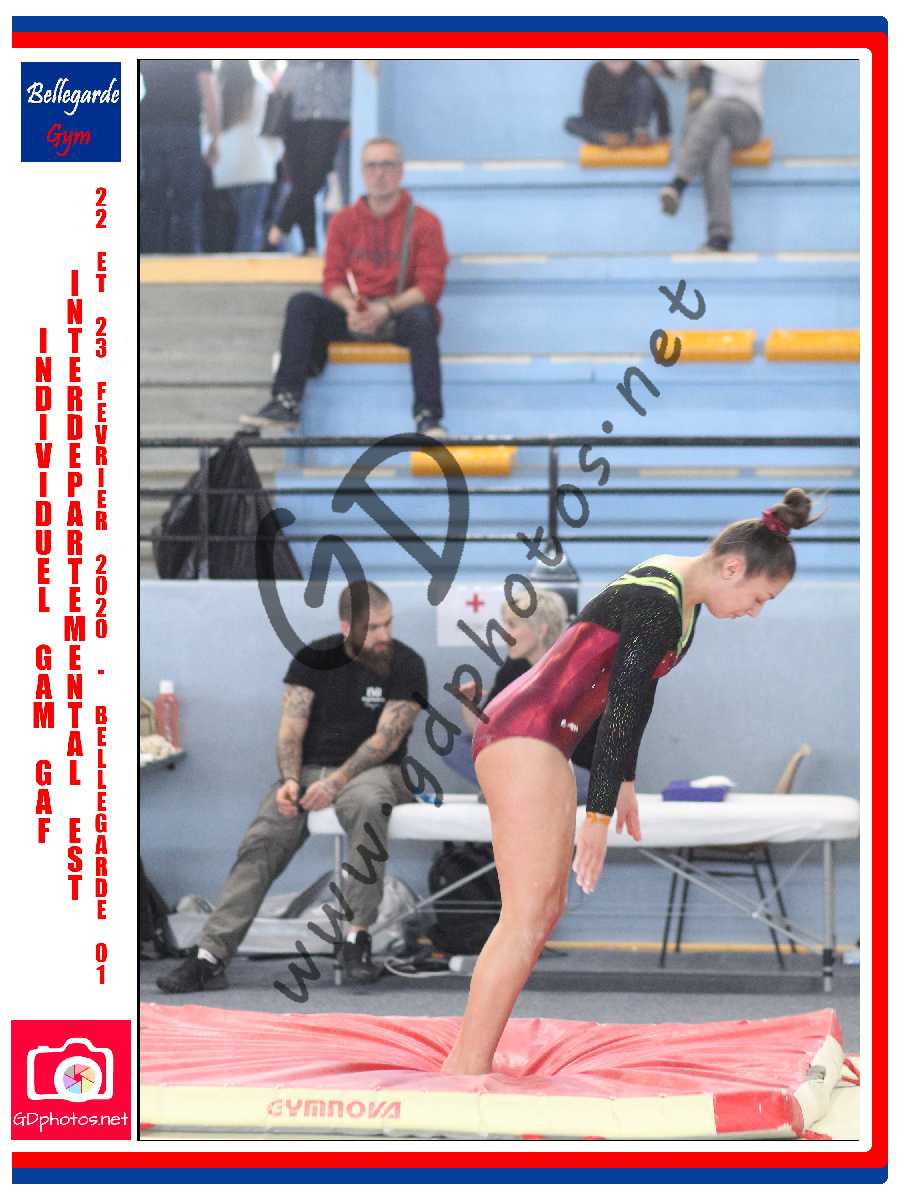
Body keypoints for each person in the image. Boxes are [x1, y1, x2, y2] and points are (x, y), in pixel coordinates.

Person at [442, 489, 816, 1074]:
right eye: (758, 598)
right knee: (524, 915)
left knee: (543, 911)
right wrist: (595, 816)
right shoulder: (659, 603)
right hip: (524, 731)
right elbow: (619, 704)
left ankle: (472, 1059)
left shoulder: (682, 596)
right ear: (733, 567)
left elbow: (636, 696)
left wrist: (624, 780)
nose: (754, 612)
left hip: (544, 735)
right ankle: (464, 1070)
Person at [157, 581, 428, 993]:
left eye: (388, 624)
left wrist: (335, 782)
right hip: (308, 770)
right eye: (373, 628)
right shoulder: (312, 659)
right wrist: (288, 781)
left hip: (374, 771)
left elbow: (386, 740)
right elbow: (290, 731)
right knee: (263, 839)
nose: (384, 635)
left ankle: (357, 937)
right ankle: (210, 955)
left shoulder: (407, 663)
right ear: (346, 627)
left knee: (368, 804)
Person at [241, 136, 450, 437]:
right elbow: (333, 279)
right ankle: (286, 401)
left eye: (387, 165)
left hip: (397, 315)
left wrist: (385, 309)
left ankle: (428, 417)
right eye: (372, 166)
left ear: (401, 171)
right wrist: (351, 307)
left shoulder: (425, 223)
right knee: (302, 305)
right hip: (354, 313)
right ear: (362, 172)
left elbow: (430, 286)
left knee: (423, 317)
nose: (379, 173)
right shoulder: (343, 221)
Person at [445, 588, 595, 804]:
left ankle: (514, 793)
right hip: (527, 768)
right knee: (456, 745)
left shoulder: (575, 670)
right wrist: (469, 705)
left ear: (541, 630)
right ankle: (520, 793)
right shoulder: (513, 667)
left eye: (512, 625)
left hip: (573, 770)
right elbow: (484, 734)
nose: (504, 633)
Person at [654, 59, 765, 253]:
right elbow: (678, 68)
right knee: (717, 146)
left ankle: (679, 183)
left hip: (745, 119)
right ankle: (719, 238)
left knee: (714, 107)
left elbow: (751, 72)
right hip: (709, 128)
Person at [266, 60, 352, 255]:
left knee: (315, 177)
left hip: (332, 109)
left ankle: (279, 227)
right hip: (293, 105)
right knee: (300, 179)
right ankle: (310, 245)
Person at [140, 60, 222, 254]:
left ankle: (148, 260)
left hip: (149, 126)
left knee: (152, 200)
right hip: (185, 126)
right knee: (186, 201)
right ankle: (185, 261)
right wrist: (215, 137)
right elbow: (208, 91)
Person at [210, 61, 284, 252]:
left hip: (224, 171)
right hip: (258, 168)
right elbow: (274, 131)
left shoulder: (217, 91)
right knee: (250, 230)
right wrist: (274, 157)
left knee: (228, 234)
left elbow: (207, 132)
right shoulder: (261, 90)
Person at [564, 60, 670, 147]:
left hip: (629, 125)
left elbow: (660, 100)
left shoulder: (638, 70)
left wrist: (664, 133)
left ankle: (639, 133)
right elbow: (587, 110)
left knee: (645, 84)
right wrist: (595, 135)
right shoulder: (595, 70)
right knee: (570, 122)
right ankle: (607, 139)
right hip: (603, 126)